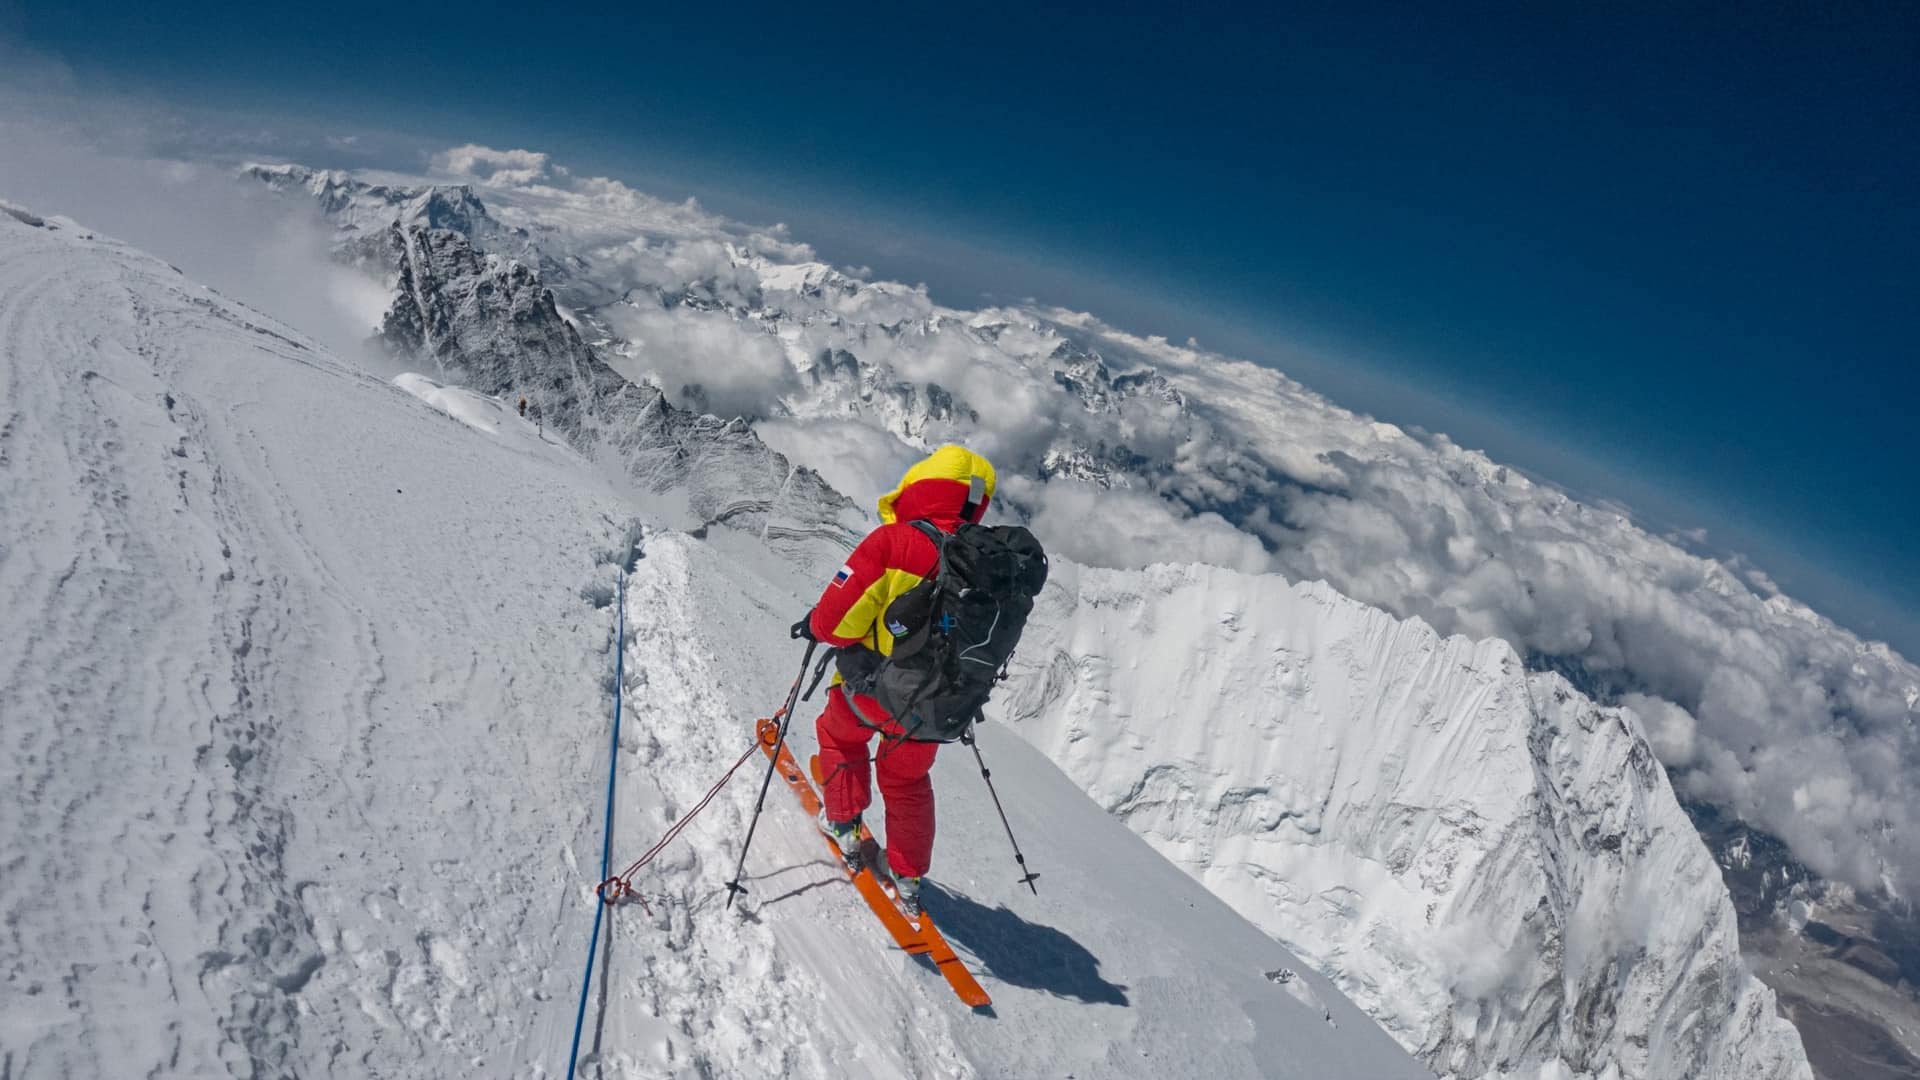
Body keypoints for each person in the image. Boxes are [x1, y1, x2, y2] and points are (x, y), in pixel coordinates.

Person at [793, 444, 996, 917]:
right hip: (939, 705)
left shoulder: (894, 544)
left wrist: (815, 625)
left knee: (839, 738)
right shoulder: (981, 565)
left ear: (919, 488)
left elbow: (836, 623)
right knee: (907, 780)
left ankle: (843, 826)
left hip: (876, 691)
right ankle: (906, 876)